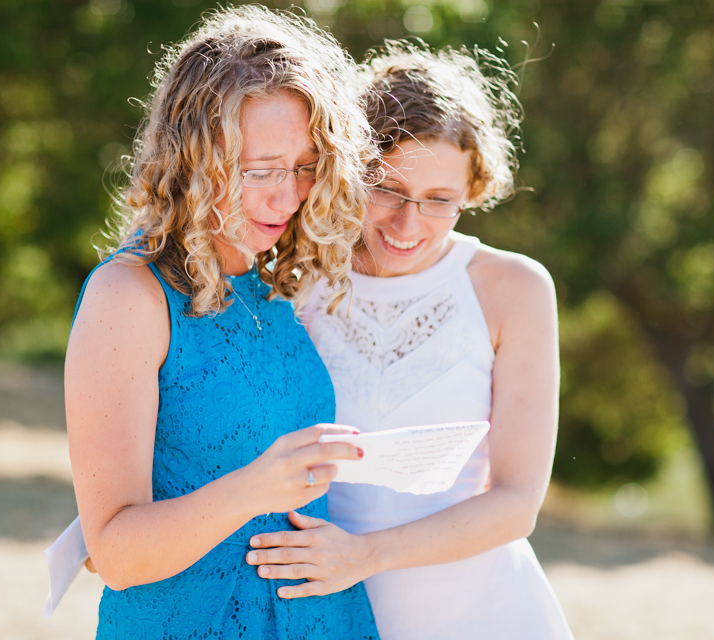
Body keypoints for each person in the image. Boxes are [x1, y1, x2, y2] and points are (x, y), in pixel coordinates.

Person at [64, 6, 379, 638]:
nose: (287, 197)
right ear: (191, 160)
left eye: (305, 166)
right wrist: (256, 488)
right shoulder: (128, 296)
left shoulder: (273, 284)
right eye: (258, 170)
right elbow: (116, 554)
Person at [246, 43, 575, 639]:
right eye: (388, 191)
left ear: (473, 190)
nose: (408, 225)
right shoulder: (295, 278)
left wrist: (365, 554)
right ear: (349, 171)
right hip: (321, 608)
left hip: (481, 611)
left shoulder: (515, 290)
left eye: (438, 202)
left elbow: (518, 500)